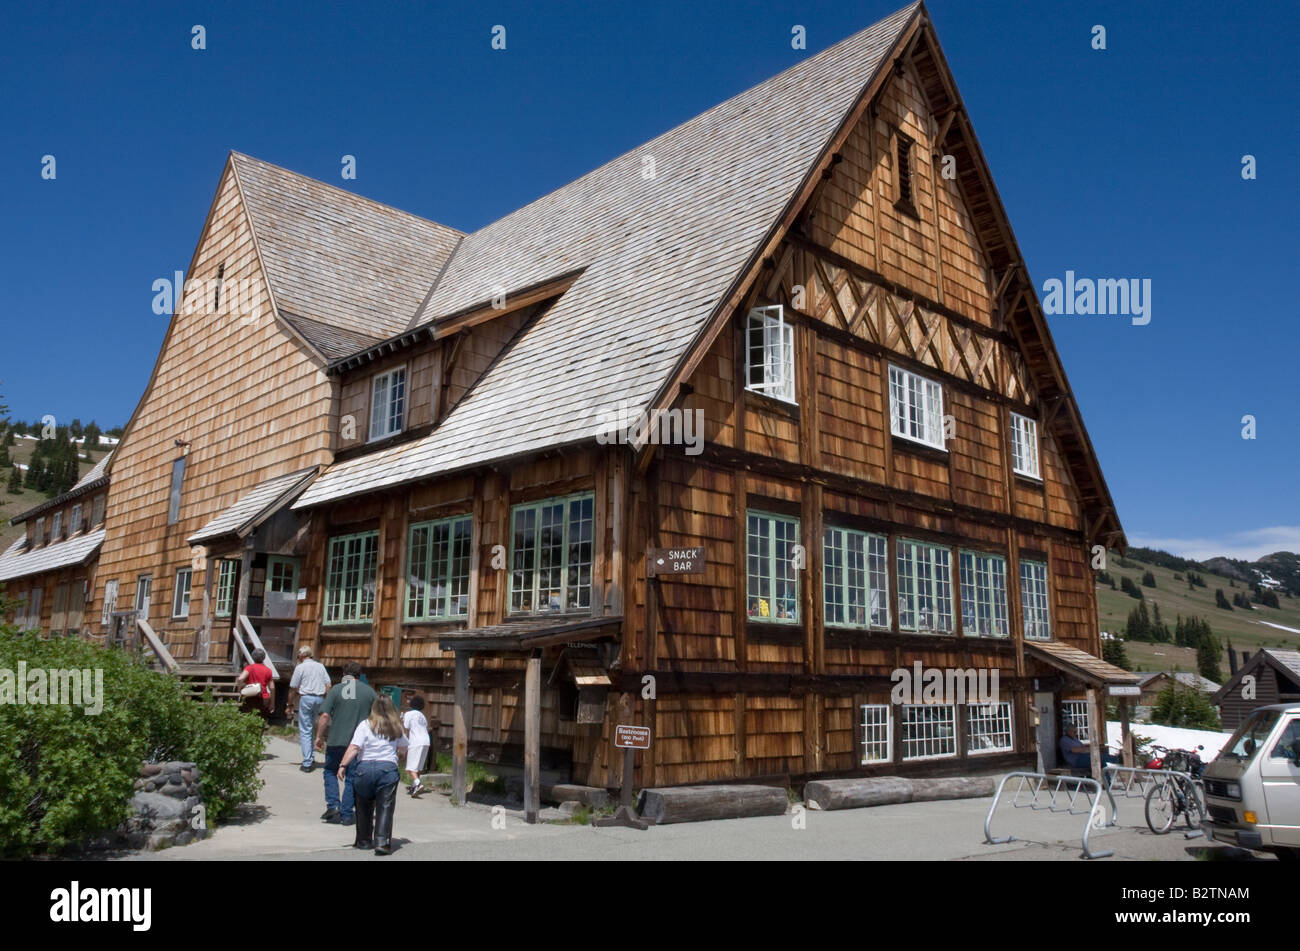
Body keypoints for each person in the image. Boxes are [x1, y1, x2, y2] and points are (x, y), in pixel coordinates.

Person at [337, 694, 407, 855]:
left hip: (364, 769)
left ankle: (364, 840)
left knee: (363, 805)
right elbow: (403, 750)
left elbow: (354, 747)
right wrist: (399, 758)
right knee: (385, 806)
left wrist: (343, 765)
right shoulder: (396, 727)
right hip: (387, 769)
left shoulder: (365, 725)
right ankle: (382, 842)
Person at [315, 662, 376, 826]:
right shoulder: (369, 692)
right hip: (357, 743)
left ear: (344, 673)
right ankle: (347, 814)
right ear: (360, 674)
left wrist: (319, 736)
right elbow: (376, 718)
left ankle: (334, 804)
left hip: (336, 739)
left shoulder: (336, 690)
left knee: (330, 771)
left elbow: (325, 716)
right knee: (352, 777)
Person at [287, 646, 331, 772]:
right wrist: (326, 699)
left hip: (306, 697)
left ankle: (307, 762)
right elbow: (328, 684)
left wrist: (289, 704)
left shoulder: (300, 667)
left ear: (301, 656)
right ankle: (310, 756)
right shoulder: (320, 666)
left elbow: (293, 687)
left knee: (306, 729)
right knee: (312, 726)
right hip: (319, 697)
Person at [234, 648, 275, 720]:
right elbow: (272, 688)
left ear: (253, 657)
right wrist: (272, 703)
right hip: (263, 697)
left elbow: (240, 679)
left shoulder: (249, 668)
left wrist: (239, 690)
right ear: (264, 658)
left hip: (250, 697)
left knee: (248, 718)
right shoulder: (268, 670)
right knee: (261, 720)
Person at [403, 696, 431, 797]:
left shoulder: (409, 714)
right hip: (426, 741)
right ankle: (414, 786)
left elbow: (406, 727)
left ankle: (418, 783)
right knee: (418, 767)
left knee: (410, 767)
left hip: (416, 741)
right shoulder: (422, 716)